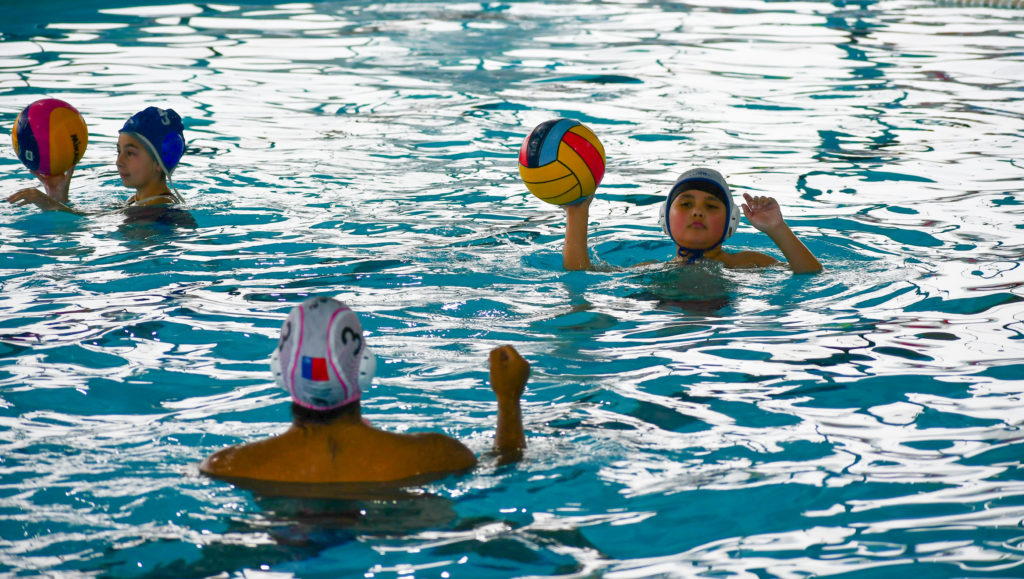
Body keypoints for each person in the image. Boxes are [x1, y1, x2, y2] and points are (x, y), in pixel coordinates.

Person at [200, 296, 530, 485]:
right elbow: (507, 465)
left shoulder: (227, 467)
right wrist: (508, 398)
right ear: (364, 366)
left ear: (281, 371)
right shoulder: (440, 455)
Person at [563, 167, 821, 274]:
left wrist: (776, 228)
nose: (697, 212)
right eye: (686, 204)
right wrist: (577, 213)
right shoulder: (651, 271)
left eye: (711, 205)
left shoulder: (748, 263)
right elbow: (581, 275)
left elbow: (810, 274)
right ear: (665, 218)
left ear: (731, 221)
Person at [7, 106, 186, 212]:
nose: (119, 162)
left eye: (130, 153)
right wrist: (58, 197)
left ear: (160, 160)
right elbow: (90, 218)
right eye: (118, 151)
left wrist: (50, 204)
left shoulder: (159, 210)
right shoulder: (136, 201)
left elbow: (85, 226)